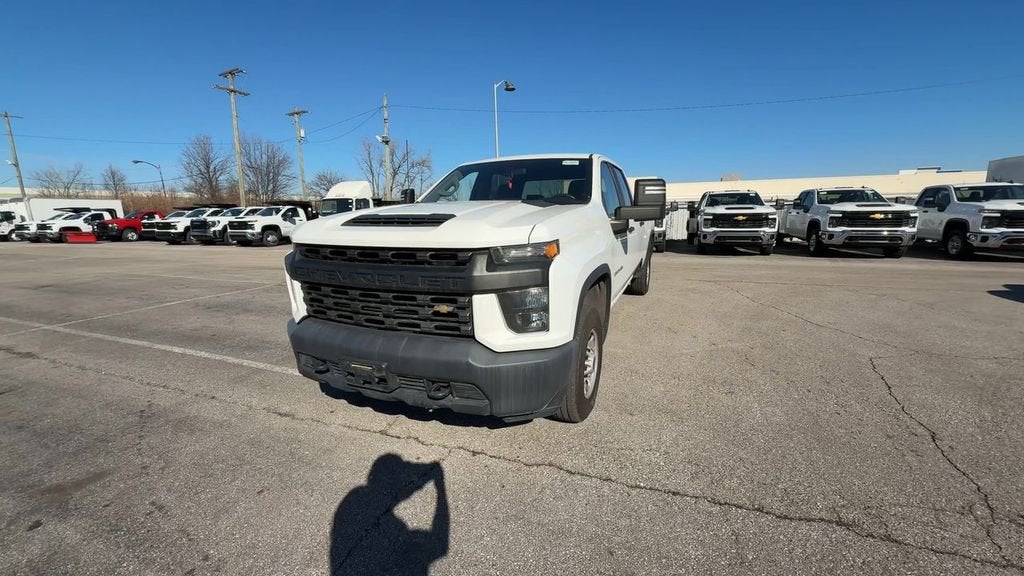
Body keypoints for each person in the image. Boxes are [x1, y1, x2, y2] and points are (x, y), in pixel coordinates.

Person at [329, 454, 449, 575]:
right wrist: (440, 488)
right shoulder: (361, 497)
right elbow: (440, 543)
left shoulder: (356, 496)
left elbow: (404, 492)